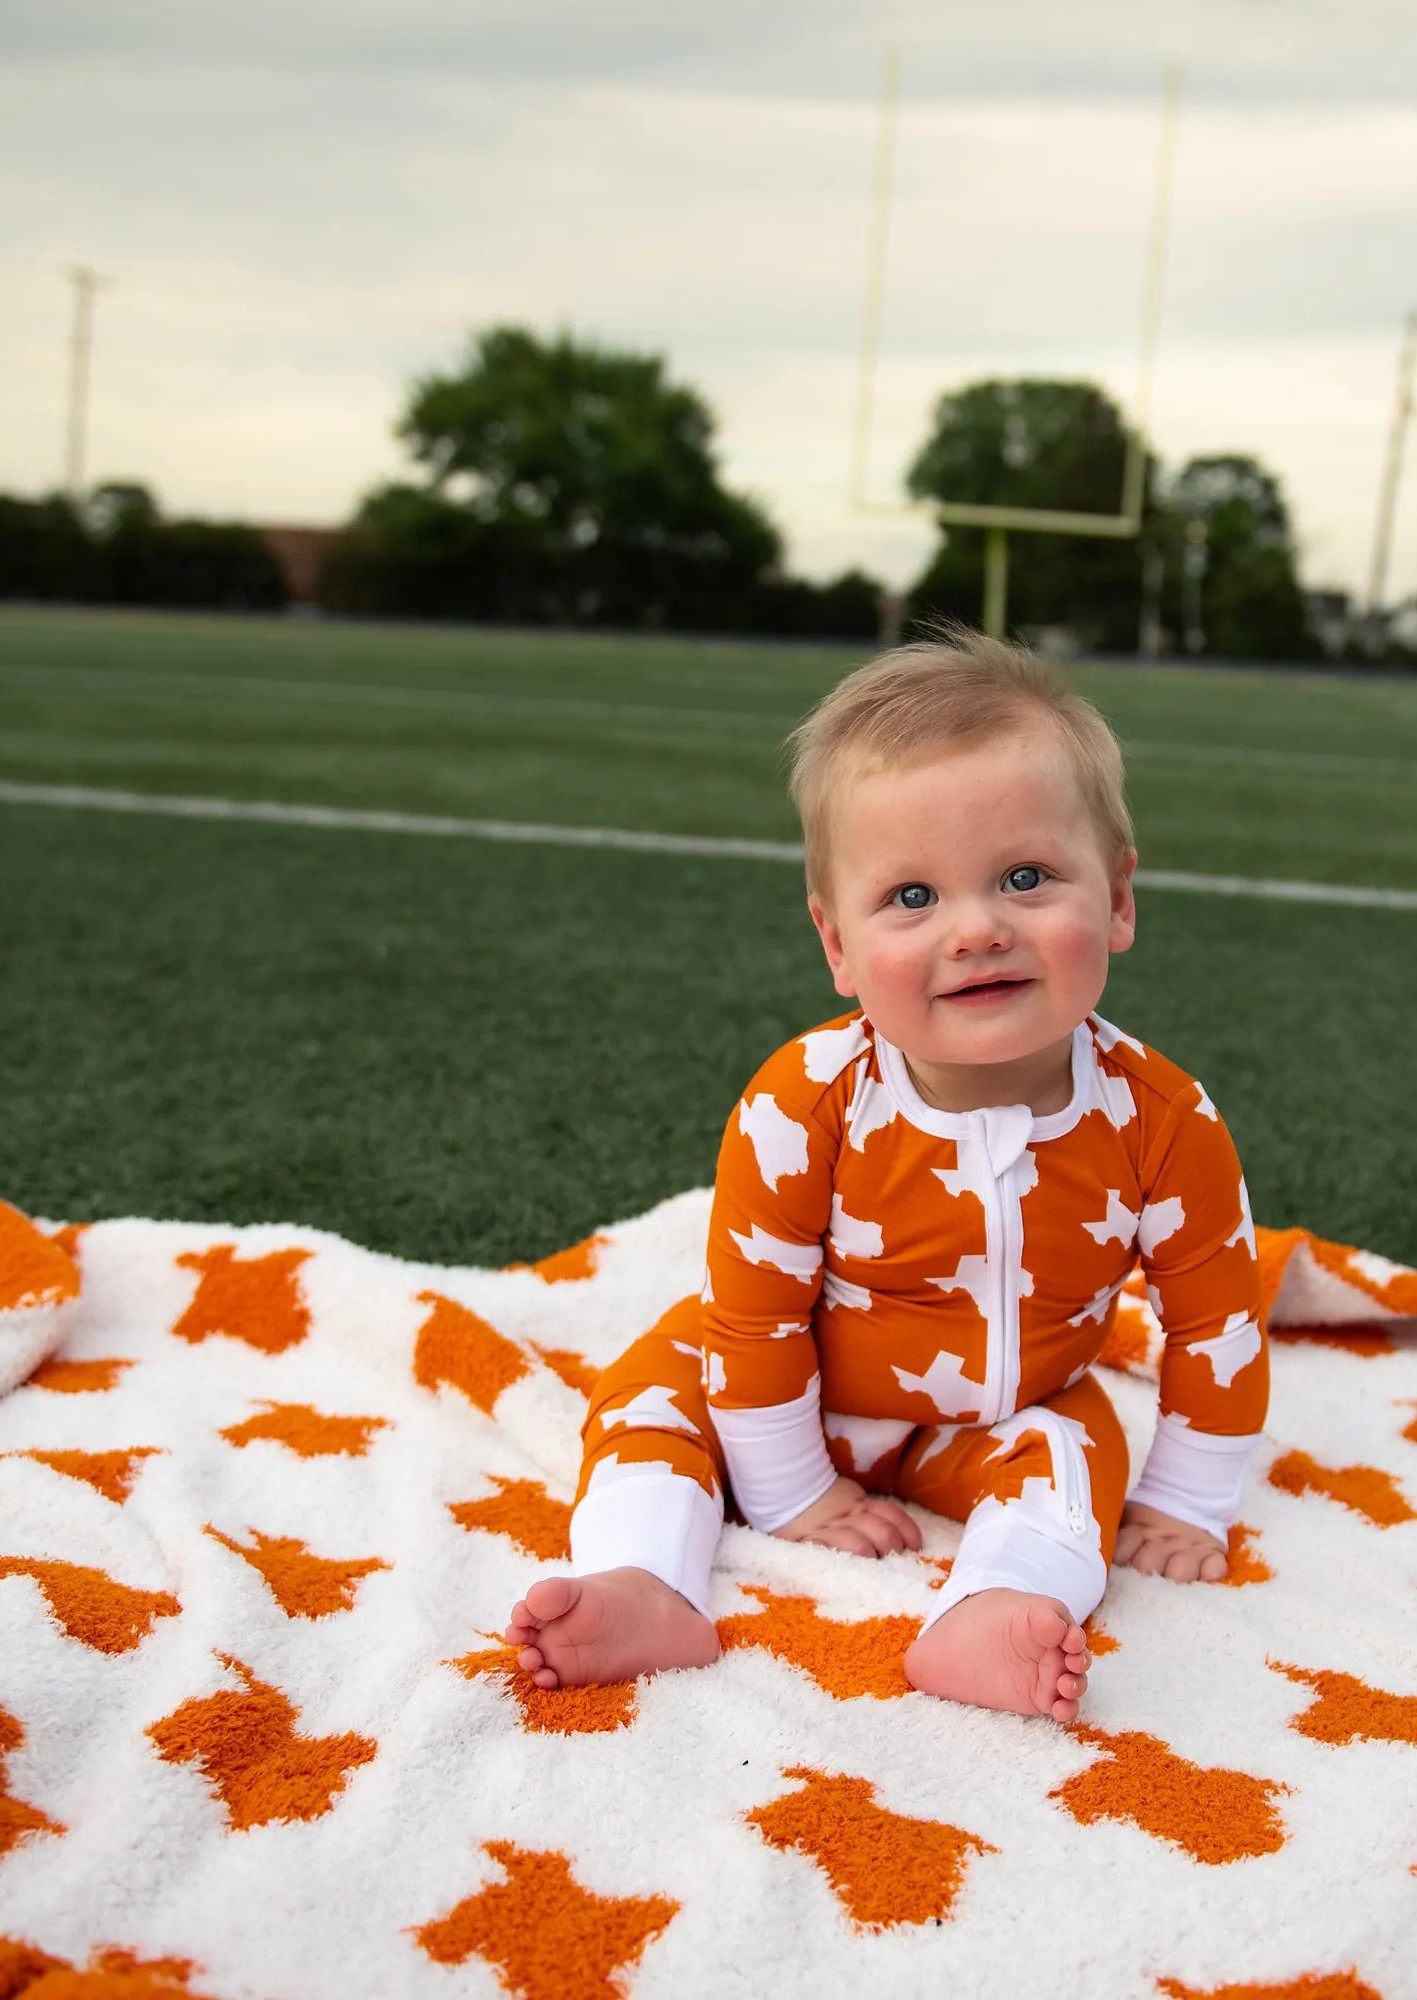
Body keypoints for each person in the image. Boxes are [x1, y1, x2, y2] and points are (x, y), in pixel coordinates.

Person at [506, 630, 1267, 1723]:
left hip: (1002, 1409)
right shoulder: (803, 1097)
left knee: (1072, 1447)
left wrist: (1188, 1500)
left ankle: (999, 1608)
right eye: (911, 896)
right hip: (801, 1386)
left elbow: (1215, 1317)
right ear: (836, 945)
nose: (975, 928)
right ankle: (643, 1575)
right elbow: (758, 1310)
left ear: (1118, 900)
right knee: (655, 1380)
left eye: (1024, 876)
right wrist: (792, 1492)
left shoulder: (1161, 1115)